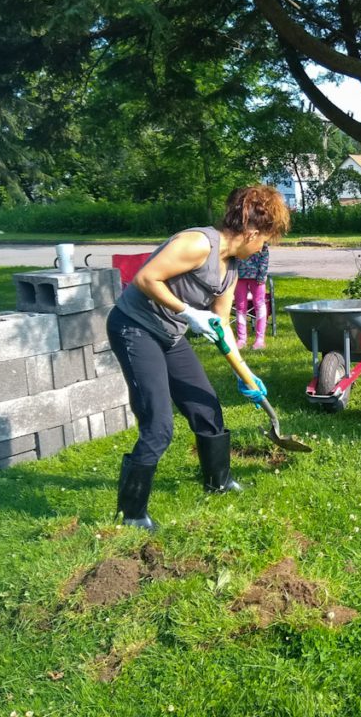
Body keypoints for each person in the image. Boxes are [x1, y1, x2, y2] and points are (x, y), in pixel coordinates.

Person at [108, 185, 291, 530]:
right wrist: (188, 311)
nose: (264, 247)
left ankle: (218, 481)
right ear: (251, 233)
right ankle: (131, 514)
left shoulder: (231, 268)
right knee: (158, 424)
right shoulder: (198, 244)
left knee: (207, 408)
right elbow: (146, 277)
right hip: (135, 328)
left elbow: (221, 323)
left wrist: (244, 373)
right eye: (265, 240)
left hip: (170, 334)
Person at [234, 241, 270, 349]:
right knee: (240, 307)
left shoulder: (260, 236)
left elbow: (265, 255)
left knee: (259, 305)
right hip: (239, 276)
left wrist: (262, 275)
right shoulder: (236, 234)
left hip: (257, 277)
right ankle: (241, 339)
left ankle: (260, 339)